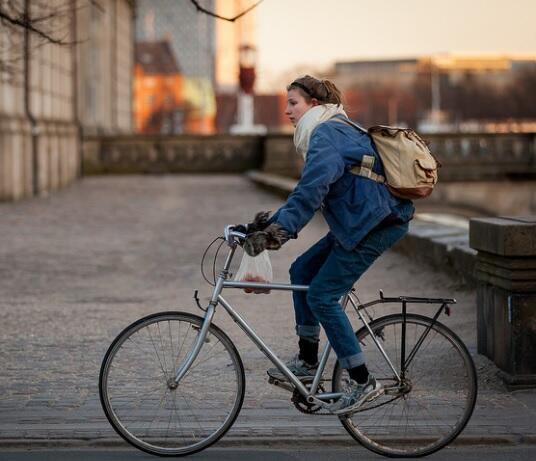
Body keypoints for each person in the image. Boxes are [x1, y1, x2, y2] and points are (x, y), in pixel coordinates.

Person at [240, 75, 415, 416]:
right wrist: (262, 225)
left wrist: (277, 234)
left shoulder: (327, 134)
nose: (287, 111)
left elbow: (310, 192)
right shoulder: (330, 130)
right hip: (358, 221)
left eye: (293, 103)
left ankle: (363, 381)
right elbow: (306, 192)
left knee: (321, 294)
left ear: (314, 105)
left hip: (377, 223)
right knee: (301, 269)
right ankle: (307, 361)